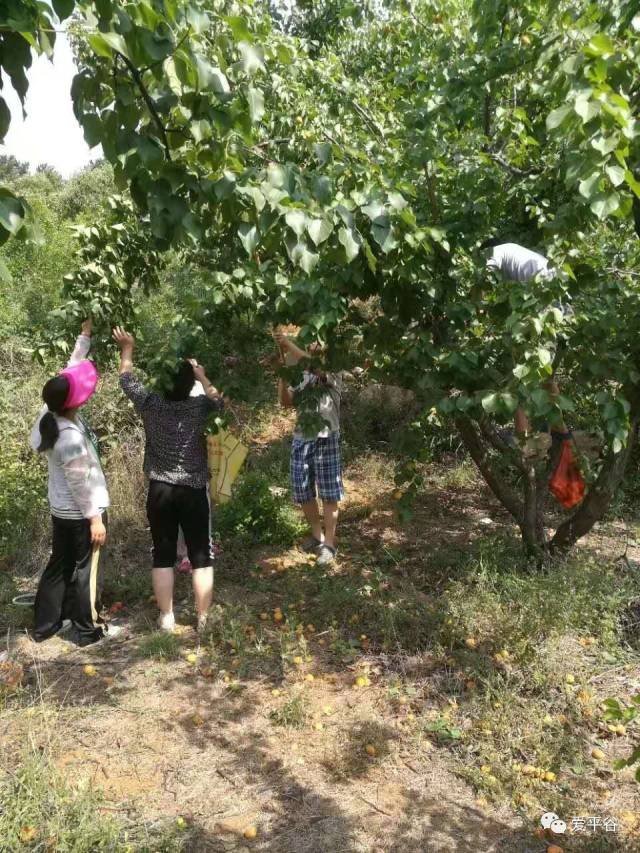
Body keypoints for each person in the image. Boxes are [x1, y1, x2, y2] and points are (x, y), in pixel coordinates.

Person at [112, 327, 224, 633]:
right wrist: (202, 375)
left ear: (162, 382)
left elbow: (126, 380)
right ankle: (202, 619)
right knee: (201, 555)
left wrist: (127, 348)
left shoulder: (151, 405)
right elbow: (219, 402)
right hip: (193, 488)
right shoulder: (199, 406)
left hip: (159, 489)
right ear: (190, 384)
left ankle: (167, 617)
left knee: (162, 554)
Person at [30, 319, 112, 646]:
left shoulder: (47, 415)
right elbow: (81, 483)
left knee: (59, 564)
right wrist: (95, 519)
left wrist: (85, 337)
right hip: (80, 514)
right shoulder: (70, 440)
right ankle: (87, 630)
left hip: (61, 511)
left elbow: (68, 371)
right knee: (84, 571)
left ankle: (46, 624)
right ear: (71, 403)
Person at [273, 330, 344, 566]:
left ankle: (330, 544)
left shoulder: (332, 369)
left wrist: (287, 344)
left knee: (329, 491)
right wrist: (283, 373)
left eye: (318, 338)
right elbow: (285, 401)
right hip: (302, 437)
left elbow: (316, 368)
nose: (314, 342)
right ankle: (317, 535)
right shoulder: (302, 374)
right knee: (302, 489)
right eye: (311, 339)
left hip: (326, 437)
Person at [485, 242, 569, 438]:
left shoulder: (493, 253)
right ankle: (561, 434)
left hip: (542, 313)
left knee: (519, 376)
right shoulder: (514, 251)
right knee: (546, 375)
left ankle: (523, 439)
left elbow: (483, 286)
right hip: (560, 311)